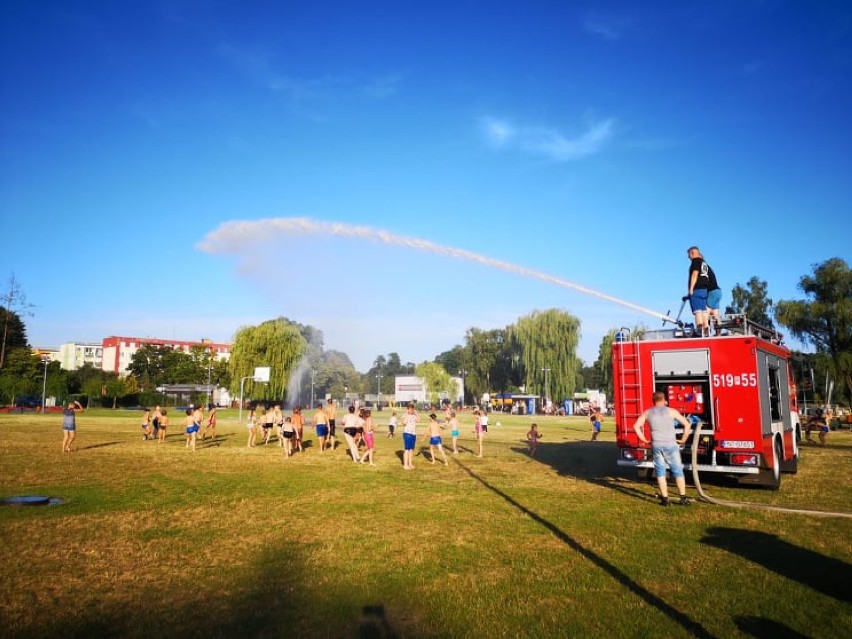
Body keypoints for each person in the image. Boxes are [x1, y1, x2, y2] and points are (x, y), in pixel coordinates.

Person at [632, 391, 693, 506]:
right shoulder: (671, 411)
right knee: (677, 471)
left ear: (653, 400)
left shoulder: (647, 413)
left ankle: (665, 500)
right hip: (671, 444)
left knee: (660, 471)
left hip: (656, 444)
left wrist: (644, 439)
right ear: (664, 399)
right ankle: (683, 498)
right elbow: (687, 424)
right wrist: (684, 439)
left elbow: (636, 426)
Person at [685, 246, 720, 337]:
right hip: (704, 290)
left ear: (692, 253)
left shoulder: (695, 261)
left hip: (697, 289)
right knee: (704, 311)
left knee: (698, 311)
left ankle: (699, 330)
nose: (688, 257)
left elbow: (695, 274)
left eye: (689, 255)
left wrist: (691, 289)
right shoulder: (704, 264)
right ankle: (706, 329)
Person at [401, 403, 419, 470]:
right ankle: (405, 465)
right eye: (410, 409)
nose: (412, 410)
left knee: (411, 449)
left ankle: (410, 464)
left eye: (413, 409)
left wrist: (416, 413)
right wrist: (406, 414)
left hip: (413, 434)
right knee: (407, 449)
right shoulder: (405, 415)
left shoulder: (414, 415)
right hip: (407, 433)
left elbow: (419, 420)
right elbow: (403, 423)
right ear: (408, 409)